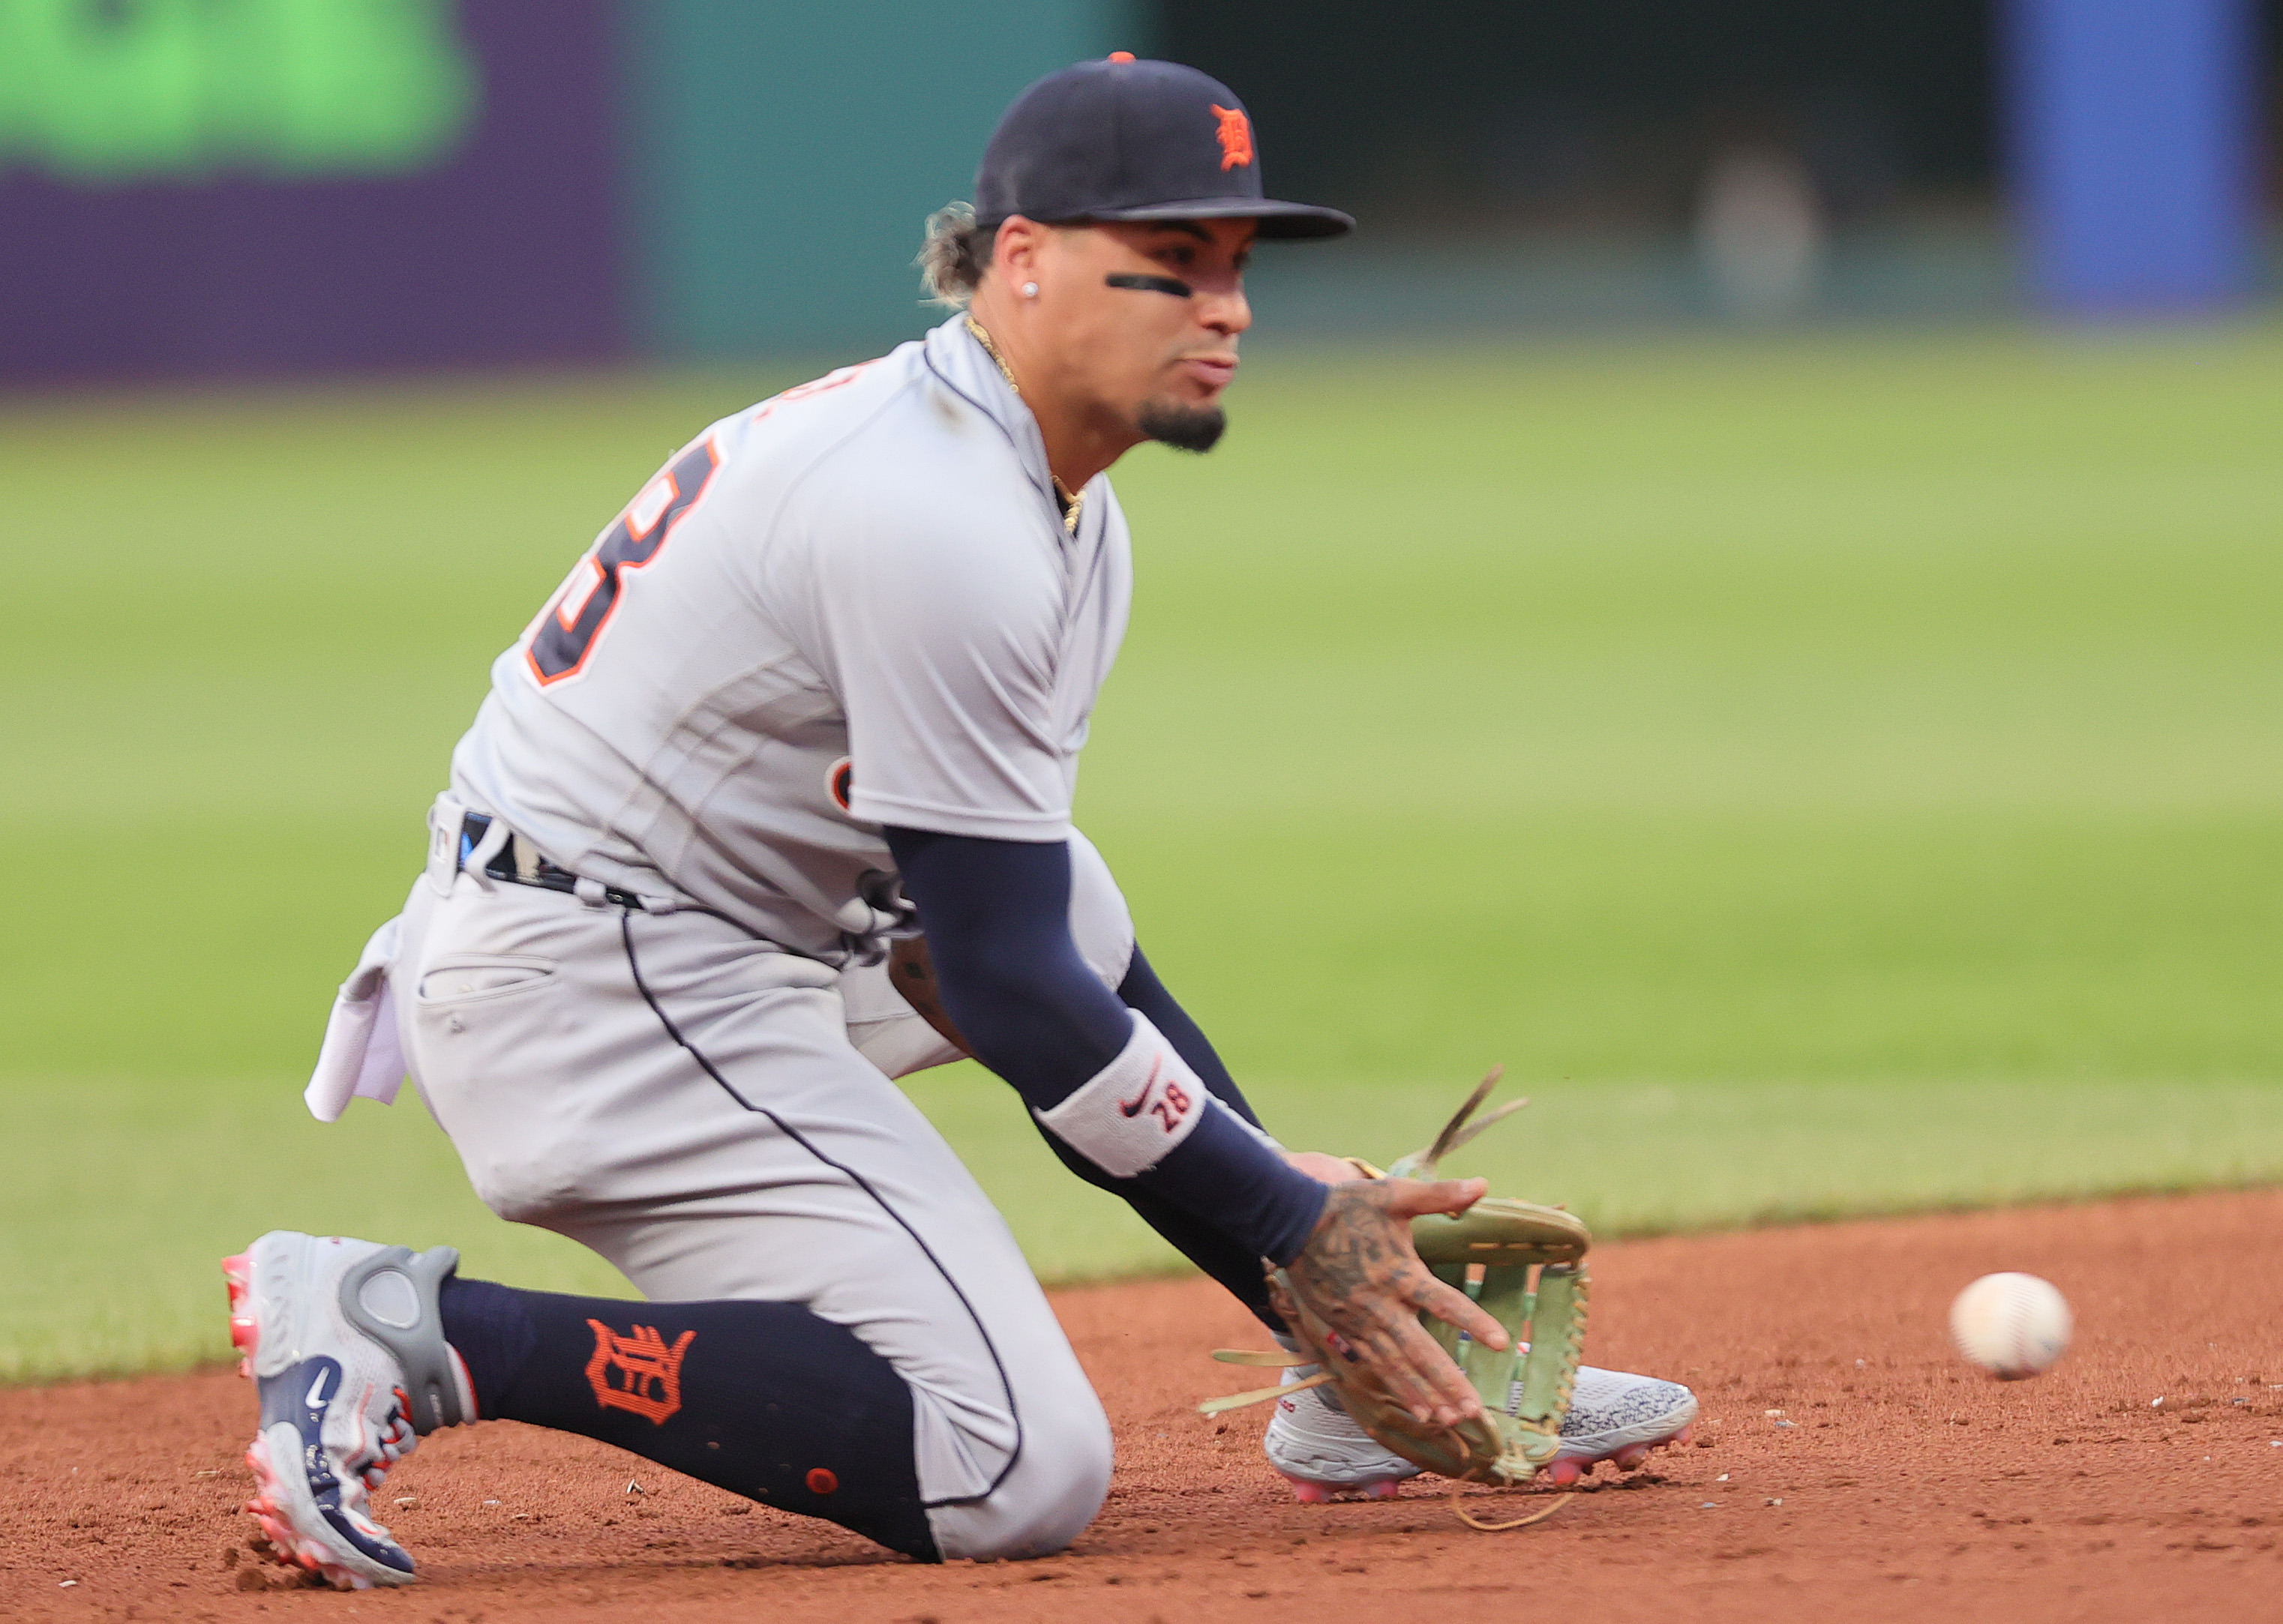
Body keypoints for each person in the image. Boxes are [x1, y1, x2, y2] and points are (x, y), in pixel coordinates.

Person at [229, 56, 1695, 1590]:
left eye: (1238, 267)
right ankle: (425, 1333)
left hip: (679, 938)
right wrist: (1283, 1207)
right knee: (1014, 1467)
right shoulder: (935, 520)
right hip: (598, 994)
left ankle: (1343, 1375)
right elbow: (1002, 996)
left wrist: (1288, 1246)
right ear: (1023, 261)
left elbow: (1001, 951)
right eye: (1173, 265)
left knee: (1069, 904)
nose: (1228, 309)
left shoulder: (1056, 501)